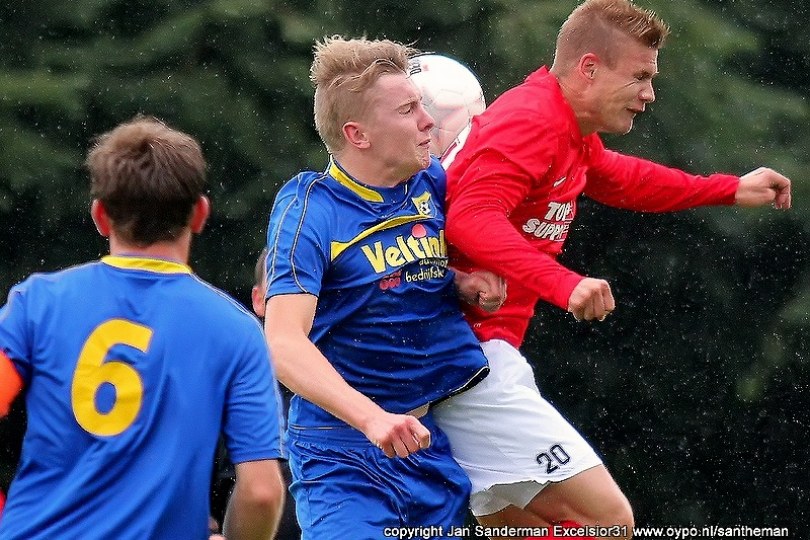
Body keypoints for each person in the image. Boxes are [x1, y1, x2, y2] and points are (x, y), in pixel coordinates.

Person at [434, 0, 793, 538]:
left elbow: (623, 179)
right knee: (608, 524)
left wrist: (729, 188)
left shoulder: (563, 127)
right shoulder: (531, 121)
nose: (649, 94)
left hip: (470, 352)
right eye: (641, 77)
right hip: (465, 354)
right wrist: (565, 283)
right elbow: (470, 218)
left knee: (513, 526)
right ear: (589, 68)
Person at [0, 116, 286, 540]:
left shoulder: (36, 304)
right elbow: (262, 492)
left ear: (100, 216)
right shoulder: (237, 330)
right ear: (200, 214)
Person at [263, 36, 504, 539]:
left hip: (427, 448)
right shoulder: (310, 209)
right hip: (342, 454)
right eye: (408, 109)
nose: (427, 122)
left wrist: (460, 283)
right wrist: (374, 420)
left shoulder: (428, 181)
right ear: (359, 134)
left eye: (423, 105)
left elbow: (393, 276)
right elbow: (283, 343)